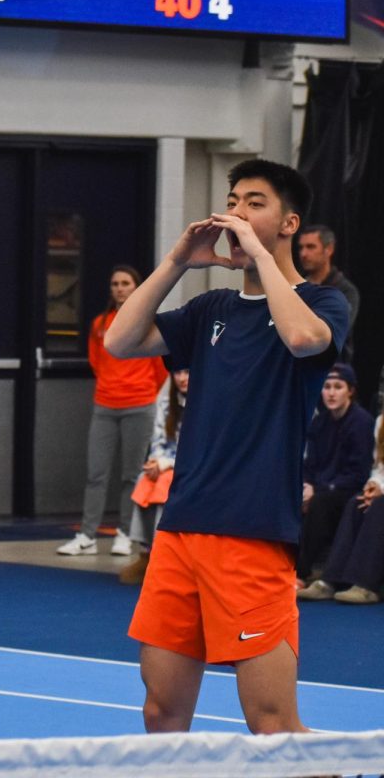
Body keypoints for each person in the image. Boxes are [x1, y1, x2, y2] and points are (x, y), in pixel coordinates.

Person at [105, 159, 349, 735]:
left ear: (289, 223)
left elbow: (303, 338)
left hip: (253, 534)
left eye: (254, 203)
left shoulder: (323, 303)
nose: (236, 211)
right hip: (180, 531)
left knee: (271, 723)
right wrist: (176, 263)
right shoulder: (211, 310)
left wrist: (260, 259)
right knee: (161, 712)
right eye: (233, 200)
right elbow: (121, 340)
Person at [58, 266, 167, 557]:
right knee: (97, 472)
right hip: (105, 404)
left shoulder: (147, 321)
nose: (119, 288)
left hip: (139, 404)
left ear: (136, 287)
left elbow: (159, 367)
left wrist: (141, 392)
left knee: (132, 474)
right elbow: (97, 361)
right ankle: (87, 535)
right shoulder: (100, 323)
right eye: (115, 283)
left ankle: (124, 533)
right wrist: (111, 385)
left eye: (125, 283)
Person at [294, 363, 374, 585]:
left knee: (320, 503)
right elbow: (309, 464)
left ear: (351, 390)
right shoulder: (320, 422)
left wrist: (316, 490)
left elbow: (357, 472)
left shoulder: (361, 422)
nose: (331, 392)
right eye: (327, 386)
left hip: (346, 489)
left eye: (338, 387)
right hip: (320, 487)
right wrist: (306, 486)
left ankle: (301, 572)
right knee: (294, 495)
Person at [298, 413, 384, 603]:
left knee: (379, 506)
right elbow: (379, 467)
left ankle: (366, 585)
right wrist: (374, 484)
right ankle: (331, 580)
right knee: (356, 503)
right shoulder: (381, 422)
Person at [120, 368, 189, 585]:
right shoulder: (167, 400)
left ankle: (163, 557)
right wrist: (156, 461)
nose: (182, 378)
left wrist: (166, 464)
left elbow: (199, 451)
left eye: (187, 372)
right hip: (167, 463)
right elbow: (159, 439)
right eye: (177, 373)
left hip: (192, 468)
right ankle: (145, 553)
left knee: (165, 485)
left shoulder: (206, 404)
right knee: (145, 480)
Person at [297, 224, 359, 360]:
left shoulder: (345, 291)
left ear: (328, 249)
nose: (304, 254)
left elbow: (337, 330)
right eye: (301, 247)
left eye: (311, 247)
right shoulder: (295, 287)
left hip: (331, 371)